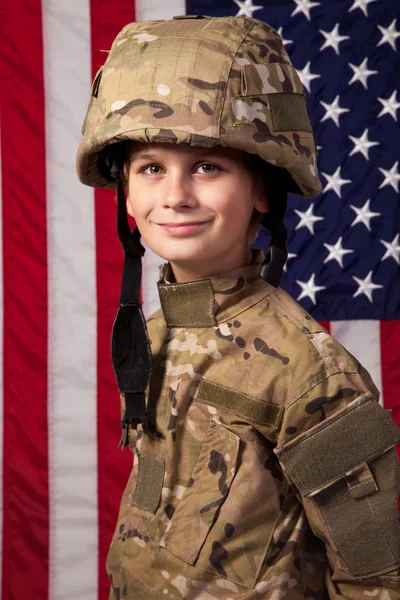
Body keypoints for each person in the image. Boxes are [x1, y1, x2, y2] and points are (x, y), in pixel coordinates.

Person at [76, 15, 400, 600]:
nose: (175, 195)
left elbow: (376, 576)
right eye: (151, 168)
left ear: (261, 192)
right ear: (126, 193)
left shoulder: (309, 372)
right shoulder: (154, 333)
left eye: (207, 166)